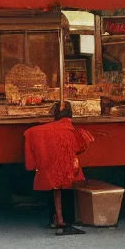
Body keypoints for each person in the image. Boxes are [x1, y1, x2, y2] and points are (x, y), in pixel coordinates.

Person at [24, 101, 95, 235]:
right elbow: (80, 147)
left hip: (49, 166)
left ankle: (55, 219)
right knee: (66, 188)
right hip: (65, 167)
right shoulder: (71, 130)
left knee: (54, 190)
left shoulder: (40, 130)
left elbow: (29, 132)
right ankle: (65, 223)